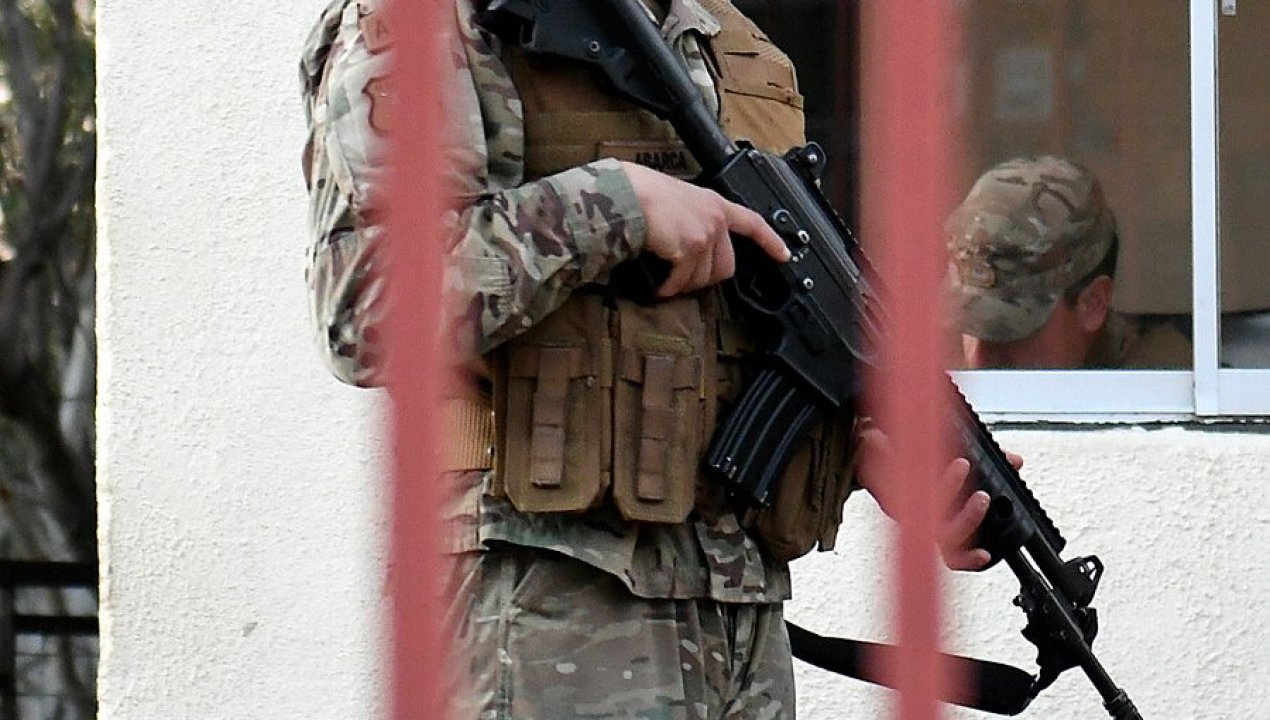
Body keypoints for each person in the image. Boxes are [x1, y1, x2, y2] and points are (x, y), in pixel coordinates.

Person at [301, 1, 996, 717]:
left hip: (741, 622)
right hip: (542, 599)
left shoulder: (737, 46)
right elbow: (363, 306)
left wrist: (856, 456)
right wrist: (613, 207)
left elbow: (720, 342)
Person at [945, 155, 1192, 369]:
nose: (978, 359)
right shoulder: (951, 382)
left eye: (1006, 332)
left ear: (1094, 303)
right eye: (969, 326)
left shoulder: (1162, 391)